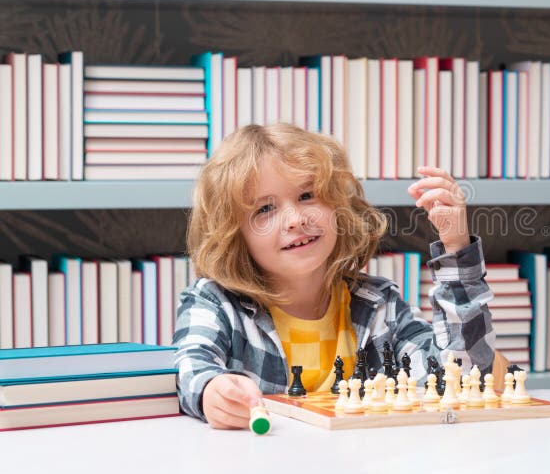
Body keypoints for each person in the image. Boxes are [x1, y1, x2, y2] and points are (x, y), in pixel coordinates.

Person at [173, 123, 496, 429]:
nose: (295, 220)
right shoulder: (214, 302)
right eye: (264, 209)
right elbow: (190, 368)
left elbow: (457, 377)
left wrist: (456, 247)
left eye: (306, 196)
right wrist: (210, 390)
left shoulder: (379, 304)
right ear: (234, 234)